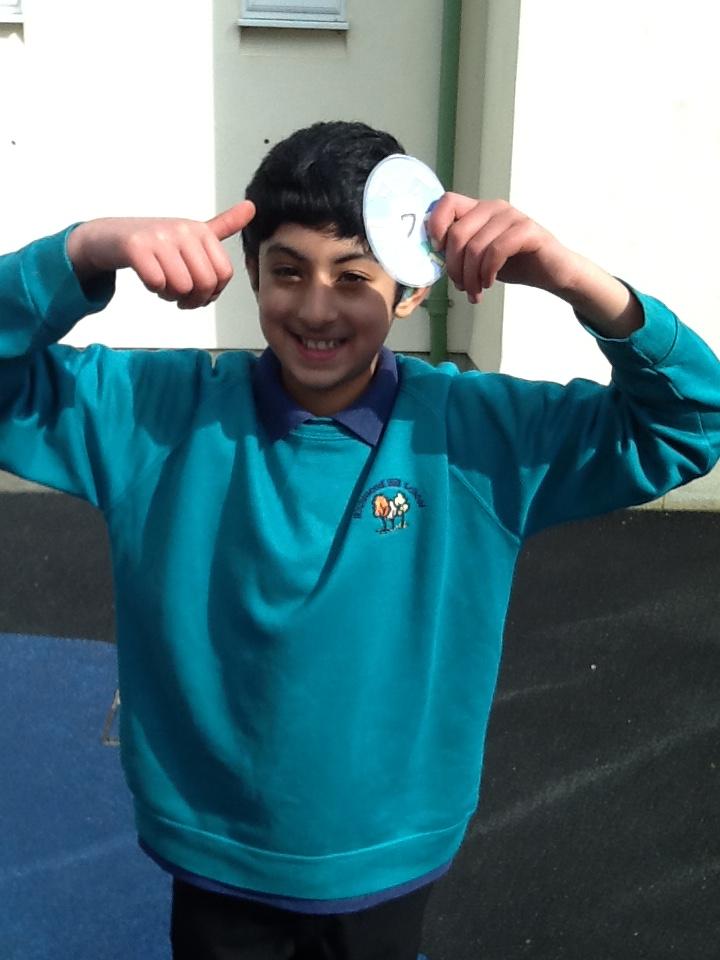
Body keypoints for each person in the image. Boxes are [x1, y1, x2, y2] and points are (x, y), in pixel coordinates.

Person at [2, 120, 719, 959]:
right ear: (252, 273)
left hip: (387, 855)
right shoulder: (153, 415)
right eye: (288, 271)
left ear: (410, 290)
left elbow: (689, 423)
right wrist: (86, 250)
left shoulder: (479, 434)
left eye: (353, 276)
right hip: (213, 848)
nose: (316, 307)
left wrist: (573, 278)